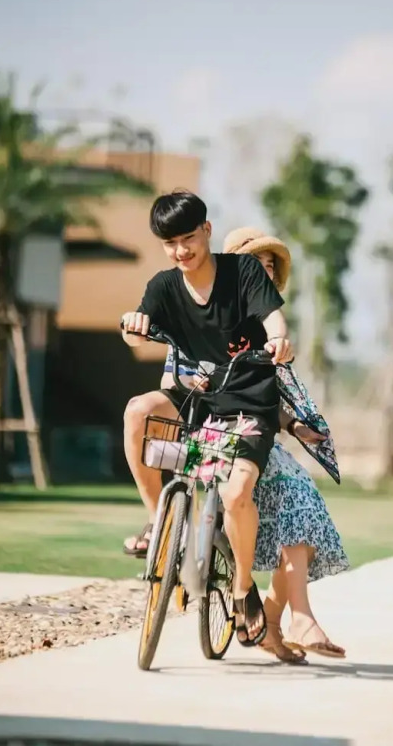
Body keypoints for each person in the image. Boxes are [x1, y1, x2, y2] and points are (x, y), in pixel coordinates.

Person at [159, 227, 348, 662]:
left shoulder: (268, 332)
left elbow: (264, 399)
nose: (264, 274)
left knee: (304, 503)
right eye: (254, 265)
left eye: (269, 268)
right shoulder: (199, 314)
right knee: (292, 496)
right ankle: (290, 618)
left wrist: (294, 425)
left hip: (254, 433)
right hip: (209, 432)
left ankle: (281, 620)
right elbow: (172, 378)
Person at [121, 191, 294, 648]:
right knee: (137, 411)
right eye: (170, 243)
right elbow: (137, 337)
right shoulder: (163, 286)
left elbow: (273, 318)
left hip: (247, 402)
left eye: (188, 238)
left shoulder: (244, 272)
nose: (181, 251)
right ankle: (160, 524)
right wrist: (134, 326)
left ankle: (242, 586)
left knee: (236, 494)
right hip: (193, 399)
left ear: (207, 231)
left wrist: (279, 340)